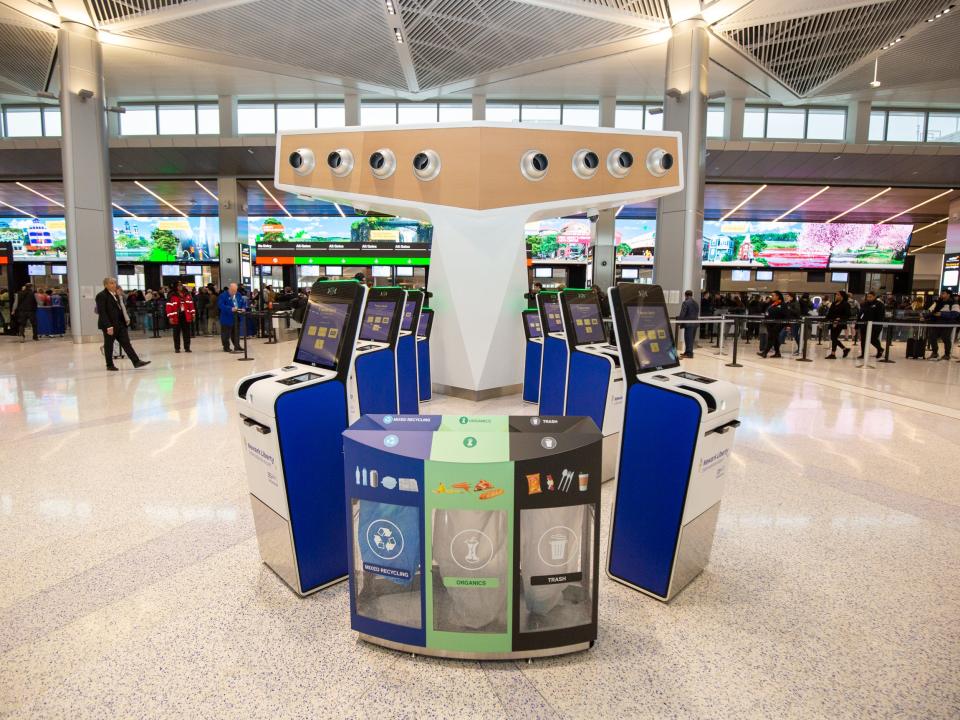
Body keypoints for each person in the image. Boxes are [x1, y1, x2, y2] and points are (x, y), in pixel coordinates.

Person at [95, 277, 150, 371]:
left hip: (120, 324)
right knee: (109, 345)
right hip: (110, 326)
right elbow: (102, 312)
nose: (114, 285)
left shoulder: (115, 295)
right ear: (106, 285)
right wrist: (108, 326)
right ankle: (109, 365)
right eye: (111, 283)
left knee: (126, 343)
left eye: (115, 283)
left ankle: (136, 361)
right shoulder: (101, 295)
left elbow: (120, 309)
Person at [926, 290, 960, 361]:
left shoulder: (954, 303)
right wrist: (925, 317)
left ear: (948, 295)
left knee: (946, 338)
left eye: (943, 293)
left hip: (948, 323)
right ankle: (935, 353)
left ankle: (947, 354)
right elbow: (931, 311)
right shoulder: (938, 302)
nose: (941, 295)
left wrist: (942, 314)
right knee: (932, 336)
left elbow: (956, 314)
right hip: (937, 322)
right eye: (941, 293)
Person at [165, 283, 196, 353]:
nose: (180, 287)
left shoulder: (187, 294)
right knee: (176, 333)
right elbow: (168, 307)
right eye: (178, 286)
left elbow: (191, 305)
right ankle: (177, 348)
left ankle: (187, 347)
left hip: (186, 316)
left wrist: (193, 314)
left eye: (181, 285)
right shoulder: (172, 295)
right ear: (176, 287)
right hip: (176, 316)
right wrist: (170, 317)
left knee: (187, 333)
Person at [217, 282, 247, 352]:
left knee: (236, 333)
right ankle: (226, 347)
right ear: (229, 289)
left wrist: (243, 308)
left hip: (237, 317)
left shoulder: (238, 294)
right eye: (232, 290)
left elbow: (243, 303)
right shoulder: (223, 295)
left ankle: (237, 345)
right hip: (227, 318)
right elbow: (220, 305)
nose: (234, 292)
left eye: (235, 290)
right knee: (226, 334)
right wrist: (230, 309)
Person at [857, 291, 886, 360]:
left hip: (875, 325)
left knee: (873, 339)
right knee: (863, 340)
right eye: (868, 297)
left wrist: (877, 325)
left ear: (874, 296)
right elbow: (861, 314)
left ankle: (880, 349)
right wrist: (858, 324)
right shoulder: (864, 304)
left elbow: (881, 316)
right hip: (864, 325)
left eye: (870, 297)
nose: (869, 298)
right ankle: (863, 354)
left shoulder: (879, 305)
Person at [759, 291, 787, 358]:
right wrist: (765, 303)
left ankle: (765, 352)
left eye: (773, 295)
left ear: (778, 296)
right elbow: (764, 310)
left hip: (778, 323)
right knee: (775, 338)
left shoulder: (782, 304)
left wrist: (788, 325)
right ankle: (777, 353)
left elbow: (786, 315)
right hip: (770, 323)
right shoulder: (772, 304)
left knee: (771, 337)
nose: (772, 297)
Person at [824, 291, 851, 359]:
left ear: (842, 296)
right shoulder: (834, 303)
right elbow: (830, 313)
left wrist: (839, 318)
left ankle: (834, 353)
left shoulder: (845, 304)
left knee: (834, 337)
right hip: (833, 322)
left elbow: (848, 314)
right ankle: (844, 349)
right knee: (833, 338)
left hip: (840, 323)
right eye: (836, 294)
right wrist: (826, 319)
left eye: (838, 295)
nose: (836, 296)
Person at [678, 290, 699, 359]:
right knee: (691, 339)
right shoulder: (696, 303)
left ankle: (689, 354)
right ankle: (687, 352)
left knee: (688, 338)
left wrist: (679, 322)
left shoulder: (685, 303)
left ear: (685, 295)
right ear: (691, 295)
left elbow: (682, 314)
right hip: (695, 324)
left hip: (688, 324)